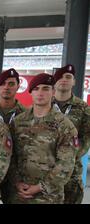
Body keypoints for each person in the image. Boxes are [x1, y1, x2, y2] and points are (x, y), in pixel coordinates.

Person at [9, 73, 78, 204]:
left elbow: (65, 164)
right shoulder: (18, 122)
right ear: (31, 93)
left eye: (45, 88)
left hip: (48, 197)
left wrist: (39, 187)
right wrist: (17, 182)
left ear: (53, 92)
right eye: (36, 89)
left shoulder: (64, 126)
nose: (40, 93)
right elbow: (9, 156)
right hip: (19, 195)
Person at [0, 68, 26, 203]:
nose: (6, 87)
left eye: (11, 84)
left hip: (17, 175)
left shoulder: (26, 115)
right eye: (3, 84)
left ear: (18, 86)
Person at [52, 64, 90, 204]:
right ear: (54, 82)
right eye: (60, 77)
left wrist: (67, 158)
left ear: (74, 81)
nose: (64, 80)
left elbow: (86, 138)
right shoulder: (43, 104)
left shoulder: (83, 108)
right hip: (45, 171)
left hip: (71, 173)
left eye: (68, 77)